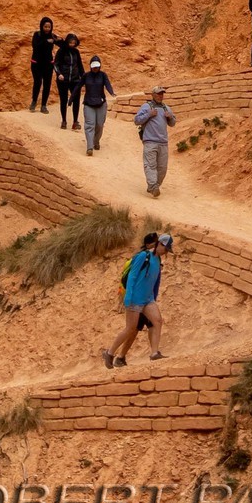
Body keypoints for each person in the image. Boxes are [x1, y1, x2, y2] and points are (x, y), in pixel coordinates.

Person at [103, 230, 172, 366]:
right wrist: (128, 297)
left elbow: (155, 280)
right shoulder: (143, 256)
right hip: (135, 298)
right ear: (160, 244)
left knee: (157, 321)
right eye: (166, 248)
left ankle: (154, 353)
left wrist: (154, 297)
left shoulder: (157, 259)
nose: (166, 252)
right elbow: (133, 276)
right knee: (130, 328)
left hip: (148, 300)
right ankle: (109, 353)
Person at [134, 86, 176, 198]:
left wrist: (170, 117)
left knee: (162, 168)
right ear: (153, 94)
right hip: (150, 141)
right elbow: (136, 120)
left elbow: (173, 123)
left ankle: (154, 186)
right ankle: (153, 186)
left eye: (162, 94)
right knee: (150, 165)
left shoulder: (166, 108)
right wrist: (149, 114)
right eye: (158, 94)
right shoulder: (146, 106)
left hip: (163, 143)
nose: (160, 96)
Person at [81, 54, 115, 153]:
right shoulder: (86, 76)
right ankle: (89, 147)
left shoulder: (103, 75)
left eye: (97, 66)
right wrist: (71, 99)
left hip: (101, 103)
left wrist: (111, 92)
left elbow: (107, 84)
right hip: (89, 103)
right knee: (90, 125)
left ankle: (96, 141)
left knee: (99, 125)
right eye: (94, 66)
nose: (95, 68)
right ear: (90, 66)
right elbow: (78, 86)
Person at [54, 31, 85, 130]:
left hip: (75, 80)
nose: (72, 44)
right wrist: (59, 74)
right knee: (63, 100)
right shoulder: (61, 51)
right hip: (63, 80)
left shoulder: (76, 52)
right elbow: (55, 64)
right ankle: (64, 120)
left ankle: (75, 122)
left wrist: (84, 78)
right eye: (70, 42)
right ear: (67, 42)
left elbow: (80, 65)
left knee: (76, 100)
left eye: (74, 43)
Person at [30, 16, 56, 113]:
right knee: (37, 82)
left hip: (48, 64)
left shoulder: (52, 36)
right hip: (36, 63)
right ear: (42, 26)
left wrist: (62, 40)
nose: (47, 29)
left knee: (47, 84)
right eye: (45, 27)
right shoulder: (37, 35)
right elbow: (35, 46)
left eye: (49, 27)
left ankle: (44, 105)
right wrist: (46, 41)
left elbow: (61, 44)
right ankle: (34, 101)